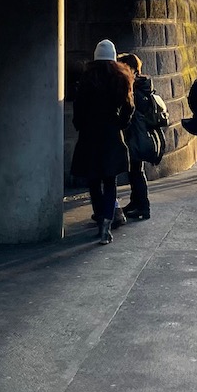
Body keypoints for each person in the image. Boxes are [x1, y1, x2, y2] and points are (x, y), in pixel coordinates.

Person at [71, 40, 134, 244]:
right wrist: (120, 123)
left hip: (90, 135)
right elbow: (128, 107)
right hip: (111, 135)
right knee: (110, 180)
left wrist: (80, 124)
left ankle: (99, 218)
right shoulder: (120, 78)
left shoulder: (87, 78)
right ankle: (108, 218)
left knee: (93, 180)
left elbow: (78, 108)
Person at [118, 52, 166, 221]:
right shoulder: (143, 85)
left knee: (136, 172)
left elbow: (129, 111)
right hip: (141, 134)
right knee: (136, 171)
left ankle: (143, 207)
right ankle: (136, 203)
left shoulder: (135, 88)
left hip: (135, 135)